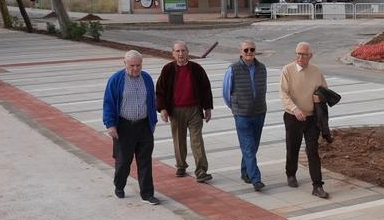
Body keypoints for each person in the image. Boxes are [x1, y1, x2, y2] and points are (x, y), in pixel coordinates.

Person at [103, 51, 160, 205]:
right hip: (124, 126)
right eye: (132, 65)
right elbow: (108, 102)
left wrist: (153, 120)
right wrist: (110, 125)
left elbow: (152, 100)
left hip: (143, 126)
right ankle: (119, 185)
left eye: (138, 65)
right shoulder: (116, 79)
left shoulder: (146, 78)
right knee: (123, 161)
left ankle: (147, 193)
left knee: (145, 161)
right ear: (125, 63)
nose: (136, 69)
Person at [156, 41, 214, 183]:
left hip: (194, 109)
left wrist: (207, 108)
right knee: (178, 140)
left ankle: (201, 171)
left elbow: (206, 88)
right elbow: (160, 91)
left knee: (197, 141)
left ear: (188, 52)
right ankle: (181, 166)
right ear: (173, 54)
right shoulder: (168, 69)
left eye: (183, 51)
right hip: (175, 110)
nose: (181, 54)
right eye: (178, 51)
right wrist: (163, 109)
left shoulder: (196, 69)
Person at [279, 42, 329, 199]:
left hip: (312, 118)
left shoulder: (316, 71)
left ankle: (317, 185)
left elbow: (325, 90)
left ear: (310, 56)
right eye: (298, 53)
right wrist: (295, 109)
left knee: (313, 151)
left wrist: (320, 97)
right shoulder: (287, 70)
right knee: (292, 147)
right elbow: (284, 94)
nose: (299, 57)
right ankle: (291, 173)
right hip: (293, 116)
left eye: (303, 54)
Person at [223, 40, 267, 191]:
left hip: (259, 113)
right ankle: (256, 179)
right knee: (248, 147)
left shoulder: (262, 68)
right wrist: (235, 107)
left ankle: (245, 173)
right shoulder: (233, 69)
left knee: (252, 146)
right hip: (242, 115)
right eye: (246, 50)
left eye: (252, 49)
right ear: (240, 51)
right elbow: (226, 93)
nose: (249, 52)